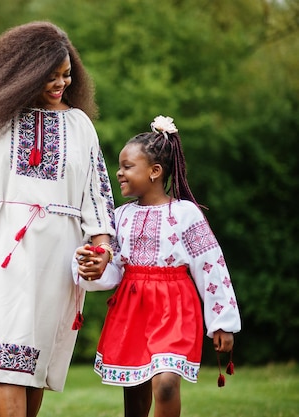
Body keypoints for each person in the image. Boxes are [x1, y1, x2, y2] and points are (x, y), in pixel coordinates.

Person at [0, 21, 115, 417]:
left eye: (67, 75)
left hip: (58, 263)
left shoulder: (80, 126)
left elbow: (98, 202)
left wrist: (102, 252)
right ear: (24, 73)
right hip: (3, 256)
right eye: (50, 77)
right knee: (8, 362)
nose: (61, 84)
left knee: (33, 369)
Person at [74, 116, 241, 417]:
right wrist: (94, 269)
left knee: (165, 384)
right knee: (135, 394)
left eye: (127, 166)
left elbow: (212, 266)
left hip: (174, 308)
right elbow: (115, 268)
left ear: (155, 171)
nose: (119, 173)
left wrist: (222, 322)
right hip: (131, 308)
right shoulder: (119, 216)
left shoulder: (186, 213)